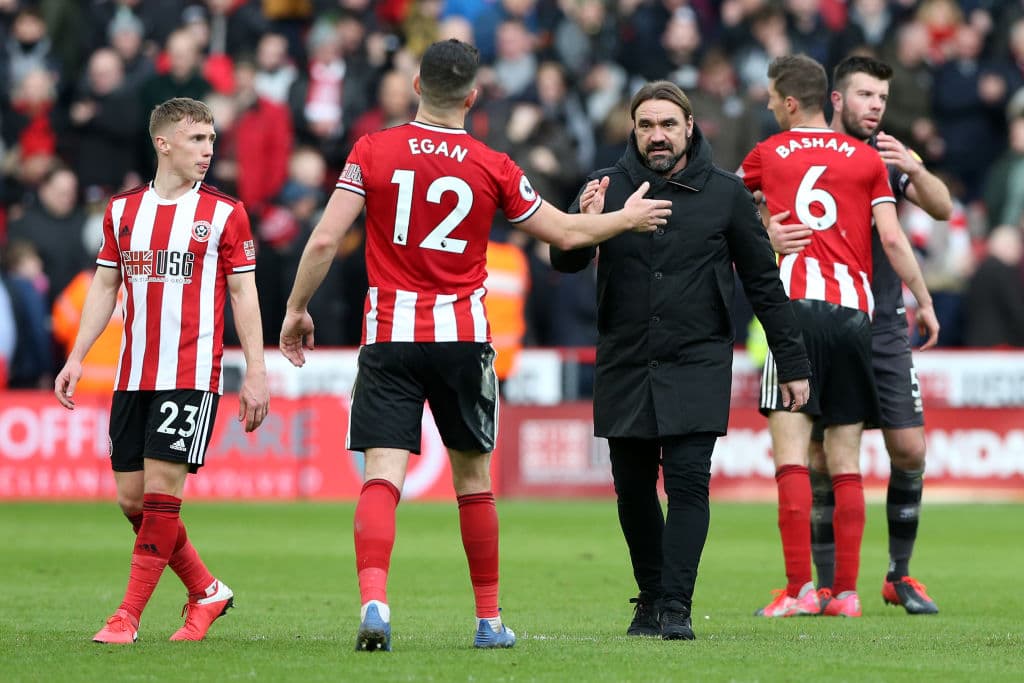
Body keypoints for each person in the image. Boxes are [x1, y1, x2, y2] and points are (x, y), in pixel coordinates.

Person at [278, 38, 672, 653]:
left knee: (382, 478)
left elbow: (326, 240)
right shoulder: (492, 164)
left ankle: (376, 603)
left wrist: (297, 309)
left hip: (390, 337)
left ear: (415, 86)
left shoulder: (372, 150)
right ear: (473, 95)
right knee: (474, 483)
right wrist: (625, 219)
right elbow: (564, 232)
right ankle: (488, 621)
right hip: (462, 339)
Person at [550, 80, 812, 641]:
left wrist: (792, 361)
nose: (657, 136)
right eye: (646, 125)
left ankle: (676, 607)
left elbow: (765, 285)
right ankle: (649, 598)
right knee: (633, 490)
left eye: (668, 124)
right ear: (633, 130)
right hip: (626, 358)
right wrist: (585, 223)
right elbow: (565, 262)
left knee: (690, 483)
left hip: (697, 360)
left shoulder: (725, 194)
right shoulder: (604, 185)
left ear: (690, 127)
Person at [53, 97, 270, 644]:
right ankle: (207, 591)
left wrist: (256, 372)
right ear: (163, 143)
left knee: (160, 497)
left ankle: (127, 615)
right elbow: (106, 285)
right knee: (133, 501)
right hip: (133, 374)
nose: (209, 150)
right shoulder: (123, 210)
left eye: (212, 139)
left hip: (191, 374)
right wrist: (78, 355)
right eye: (197, 140)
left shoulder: (225, 213)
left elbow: (244, 294)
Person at [739, 54, 939, 619]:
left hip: (794, 312)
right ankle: (846, 594)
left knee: (794, 455)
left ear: (789, 100)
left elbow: (726, 208)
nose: (769, 105)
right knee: (847, 458)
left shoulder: (768, 152)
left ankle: (801, 589)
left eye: (772, 98)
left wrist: (764, 227)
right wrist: (922, 300)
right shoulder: (864, 158)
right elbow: (895, 241)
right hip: (857, 315)